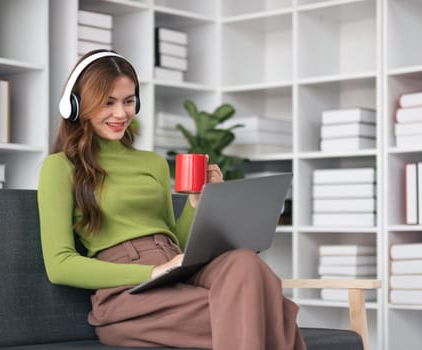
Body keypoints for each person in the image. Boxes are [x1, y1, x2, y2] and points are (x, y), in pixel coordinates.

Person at [37, 49, 306, 350]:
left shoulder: (152, 163)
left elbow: (175, 239)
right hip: (131, 291)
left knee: (245, 262)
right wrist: (151, 272)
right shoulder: (60, 167)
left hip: (178, 268)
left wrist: (199, 203)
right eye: (107, 102)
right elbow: (59, 265)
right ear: (76, 105)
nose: (120, 113)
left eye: (128, 101)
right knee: (270, 310)